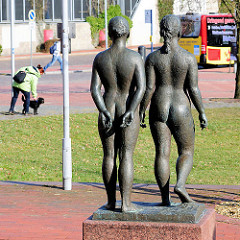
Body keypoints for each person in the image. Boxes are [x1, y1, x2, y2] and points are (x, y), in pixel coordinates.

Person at [139, 15, 208, 206]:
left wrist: (142, 110)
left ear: (162, 32)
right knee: (186, 149)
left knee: (162, 152)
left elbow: (149, 88)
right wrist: (201, 111)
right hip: (180, 106)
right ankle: (180, 185)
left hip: (159, 106)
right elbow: (193, 89)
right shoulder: (187, 58)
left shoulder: (152, 58)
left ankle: (165, 199)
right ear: (179, 31)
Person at [90, 16, 146, 212]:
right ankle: (126, 203)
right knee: (127, 154)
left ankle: (111, 201)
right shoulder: (135, 58)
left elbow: (95, 89)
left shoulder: (101, 58)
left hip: (108, 105)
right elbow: (141, 88)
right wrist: (131, 110)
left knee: (109, 155)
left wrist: (103, 110)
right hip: (126, 106)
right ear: (127, 33)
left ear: (110, 33)